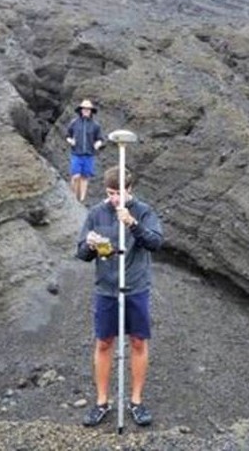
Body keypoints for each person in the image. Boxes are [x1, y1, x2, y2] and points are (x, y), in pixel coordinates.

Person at [75, 166, 163, 428]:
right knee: (103, 343)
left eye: (120, 193)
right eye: (111, 193)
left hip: (136, 287)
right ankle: (102, 402)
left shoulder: (143, 211)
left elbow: (156, 242)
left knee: (138, 342)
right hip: (107, 289)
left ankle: (135, 402)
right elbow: (81, 254)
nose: (115, 199)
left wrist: (132, 224)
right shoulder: (96, 213)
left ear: (130, 190)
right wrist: (89, 245)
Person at [65, 99, 104, 202]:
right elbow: (67, 135)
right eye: (84, 109)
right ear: (81, 110)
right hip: (76, 154)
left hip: (89, 155)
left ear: (91, 111)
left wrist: (97, 144)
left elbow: (100, 138)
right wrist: (71, 141)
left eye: (88, 109)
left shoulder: (95, 125)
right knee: (75, 176)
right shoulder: (74, 123)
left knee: (84, 178)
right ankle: (73, 196)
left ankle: (82, 199)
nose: (86, 111)